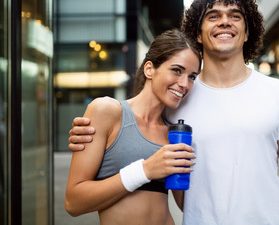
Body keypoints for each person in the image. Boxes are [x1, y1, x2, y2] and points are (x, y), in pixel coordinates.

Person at [68, 0, 279, 224]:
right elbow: (132, 124)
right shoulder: (176, 101)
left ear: (247, 31)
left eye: (235, 15)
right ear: (198, 33)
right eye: (213, 15)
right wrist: (90, 130)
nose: (224, 21)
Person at [65, 29, 202, 225]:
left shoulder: (174, 134)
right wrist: (145, 170)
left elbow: (187, 205)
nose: (184, 84)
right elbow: (73, 203)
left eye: (192, 76)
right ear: (149, 69)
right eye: (177, 70)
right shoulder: (106, 111)